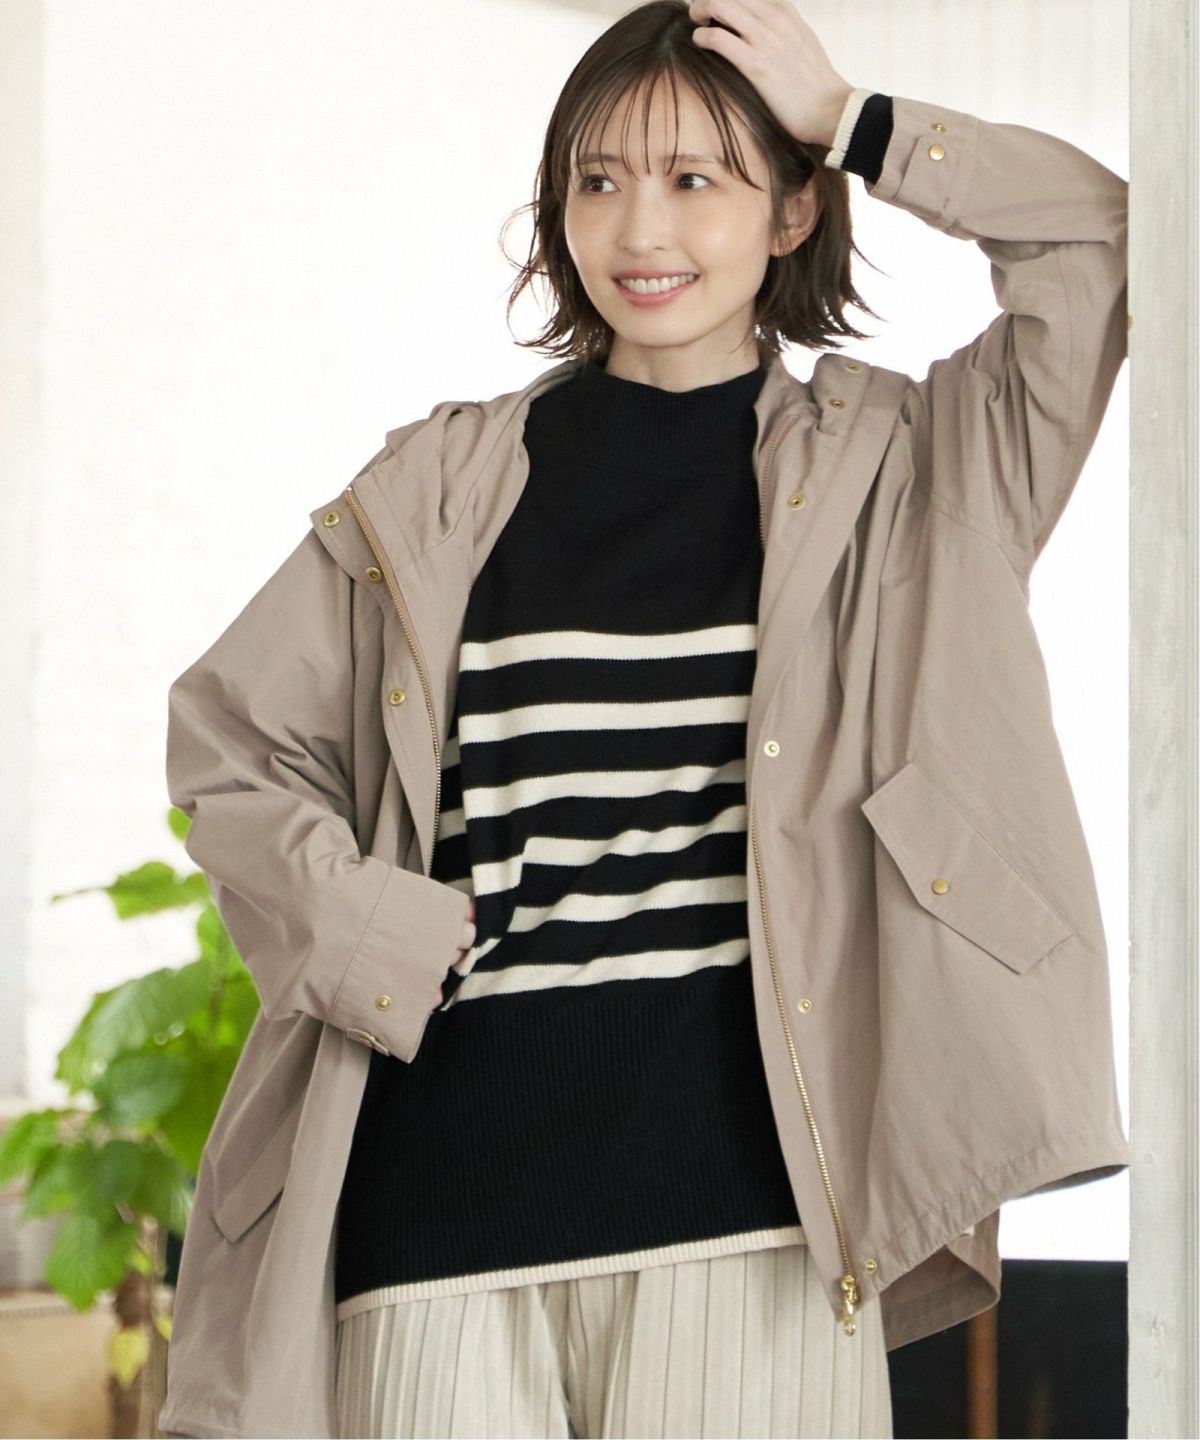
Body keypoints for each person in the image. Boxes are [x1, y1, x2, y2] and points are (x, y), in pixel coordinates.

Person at [159, 1, 1131, 1437]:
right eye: (599, 180)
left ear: (794, 210)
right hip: (438, 1217)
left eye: (695, 178)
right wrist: (368, 933)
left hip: (750, 1217)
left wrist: (854, 120)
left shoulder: (918, 474)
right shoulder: (443, 487)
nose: (638, 228)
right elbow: (230, 745)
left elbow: (1103, 245)